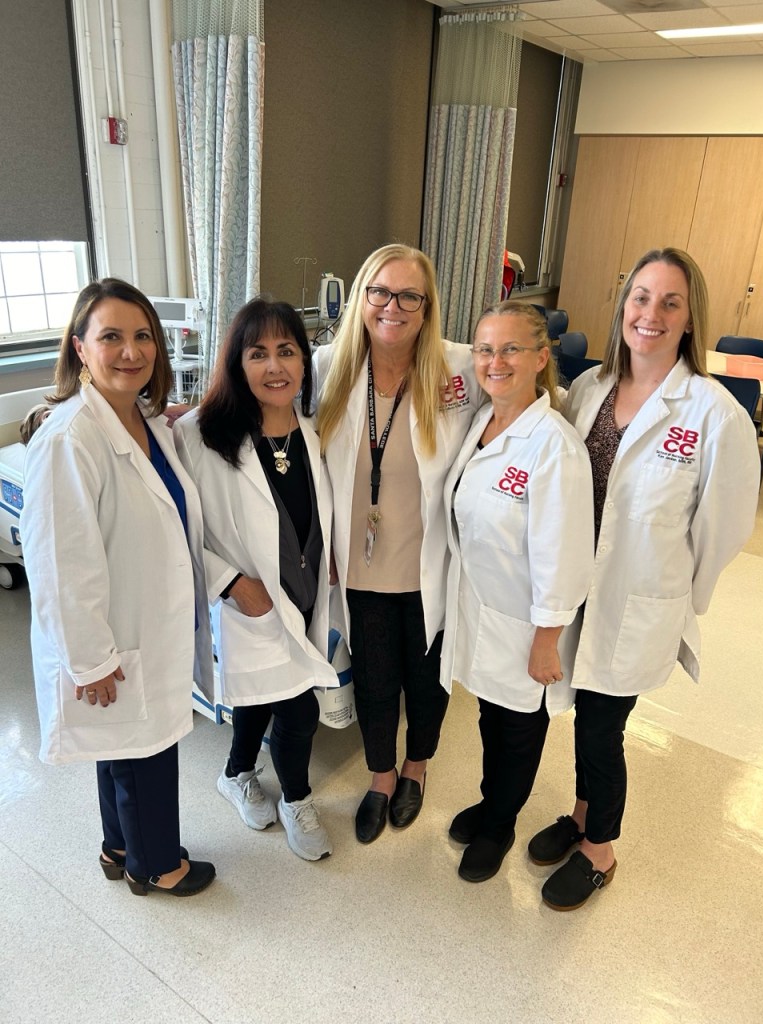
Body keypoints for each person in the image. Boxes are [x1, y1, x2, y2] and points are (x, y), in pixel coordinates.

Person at [529, 247, 761, 911]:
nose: (650, 313)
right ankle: (581, 816)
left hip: (639, 602)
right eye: (640, 297)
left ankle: (600, 851)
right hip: (581, 591)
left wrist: (677, 593)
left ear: (689, 318)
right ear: (623, 305)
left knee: (603, 730)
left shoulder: (714, 413)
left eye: (669, 302)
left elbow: (723, 528)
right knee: (585, 714)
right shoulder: (590, 390)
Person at [21, 278, 216, 897]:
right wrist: (90, 658)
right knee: (146, 747)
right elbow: (58, 562)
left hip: (145, 620)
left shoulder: (144, 420)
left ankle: (120, 846)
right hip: (115, 630)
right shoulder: (69, 438)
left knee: (124, 742)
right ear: (80, 348)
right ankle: (156, 865)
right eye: (111, 337)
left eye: (143, 337)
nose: (131, 351)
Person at [315, 243, 484, 843]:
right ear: (362, 297)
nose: (393, 306)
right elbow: (261, 406)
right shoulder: (327, 367)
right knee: (375, 678)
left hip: (430, 561)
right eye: (380, 292)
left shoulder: (461, 369)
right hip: (359, 566)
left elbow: (521, 399)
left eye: (410, 296)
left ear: (428, 306)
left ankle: (417, 766)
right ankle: (381, 775)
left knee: (428, 679)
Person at [175, 298, 338, 862]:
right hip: (250, 600)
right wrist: (230, 583)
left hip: (304, 595)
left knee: (262, 695)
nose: (275, 366)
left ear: (304, 361)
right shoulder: (201, 435)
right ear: (237, 364)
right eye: (258, 353)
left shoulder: (311, 433)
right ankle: (297, 799)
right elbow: (176, 526)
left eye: (286, 351)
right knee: (298, 710)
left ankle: (236, 772)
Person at [441, 302, 593, 884]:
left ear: (540, 358)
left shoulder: (554, 446)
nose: (494, 361)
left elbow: (565, 553)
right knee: (489, 716)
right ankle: (490, 801)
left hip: (528, 623)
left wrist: (547, 639)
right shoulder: (481, 421)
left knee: (521, 728)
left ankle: (500, 824)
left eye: (510, 349)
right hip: (483, 611)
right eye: (485, 349)